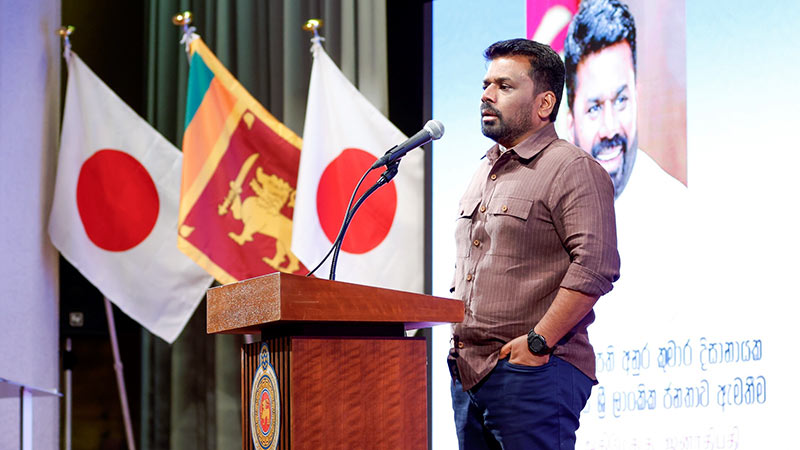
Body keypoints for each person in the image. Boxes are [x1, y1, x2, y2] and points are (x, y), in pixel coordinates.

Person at [448, 38, 620, 449]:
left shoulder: (572, 168)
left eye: (504, 87)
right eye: (486, 85)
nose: (486, 96)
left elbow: (595, 266)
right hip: (469, 375)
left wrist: (538, 341)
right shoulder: (484, 171)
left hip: (534, 371)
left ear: (544, 104)